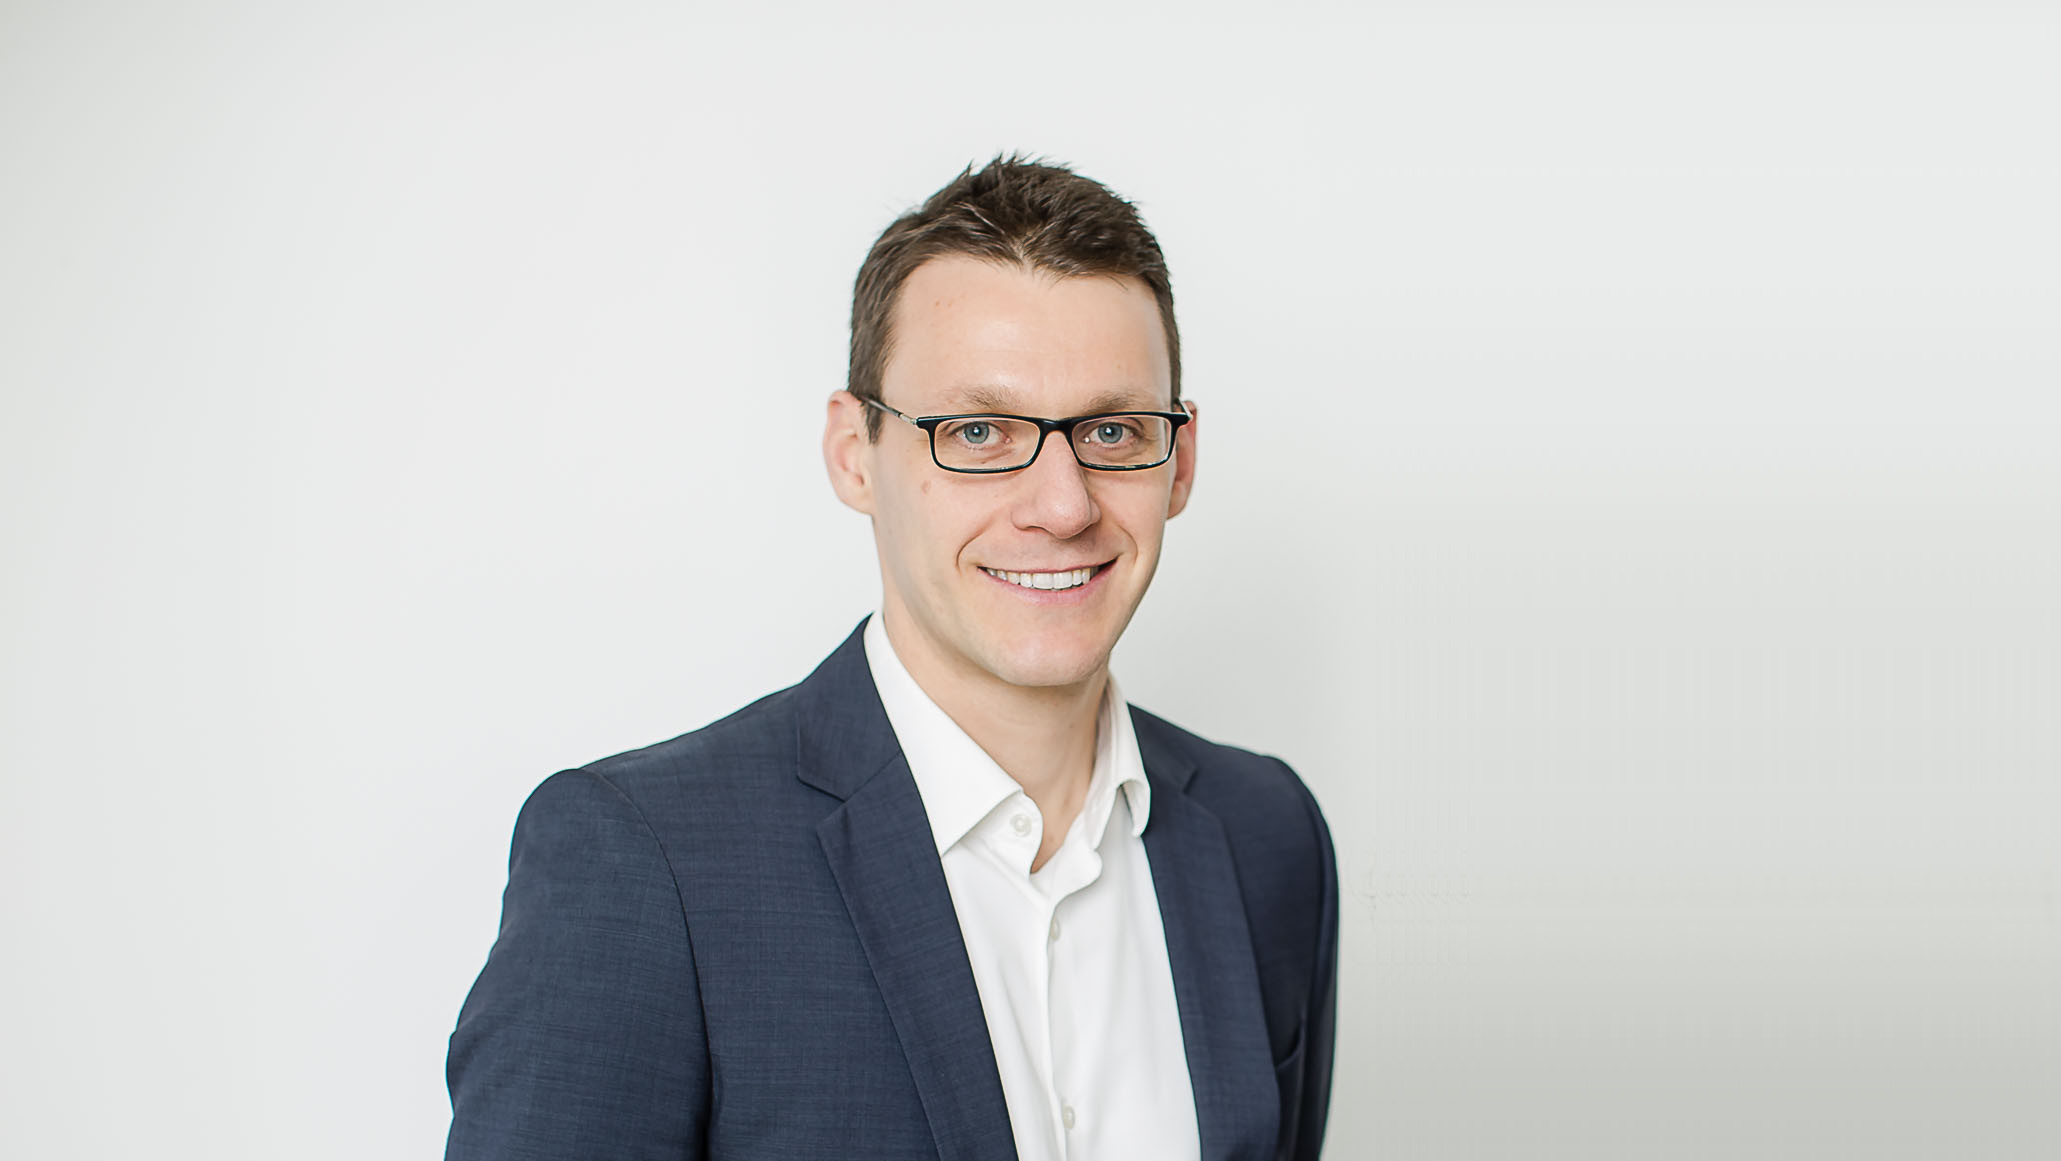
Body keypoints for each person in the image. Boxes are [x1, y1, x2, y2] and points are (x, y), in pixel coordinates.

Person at [444, 154, 1338, 1161]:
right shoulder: (646, 863)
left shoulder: (1269, 836)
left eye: (1114, 429)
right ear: (854, 453)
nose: (1062, 505)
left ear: (1179, 461)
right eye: (979, 430)